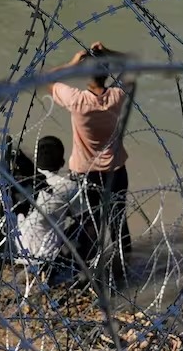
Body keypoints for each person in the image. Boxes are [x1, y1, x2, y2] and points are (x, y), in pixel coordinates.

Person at [47, 41, 135, 272]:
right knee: (118, 221)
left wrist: (72, 63)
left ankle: (89, 270)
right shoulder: (116, 97)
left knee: (89, 224)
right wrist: (109, 52)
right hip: (116, 171)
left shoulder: (77, 100)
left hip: (85, 173)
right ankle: (126, 267)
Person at [13, 136, 89, 279]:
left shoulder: (23, 179)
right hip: (44, 255)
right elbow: (86, 220)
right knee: (87, 226)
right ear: (62, 162)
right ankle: (77, 273)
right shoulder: (67, 186)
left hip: (18, 249)